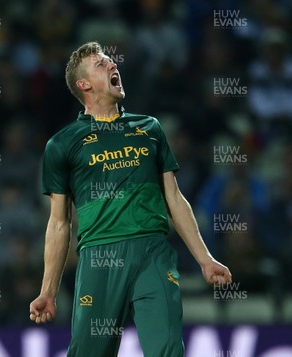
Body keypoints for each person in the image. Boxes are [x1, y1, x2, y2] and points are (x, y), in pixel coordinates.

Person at [29, 41, 232, 356]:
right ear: (83, 85)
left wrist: (205, 260)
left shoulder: (150, 128)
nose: (113, 66)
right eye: (101, 64)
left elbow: (174, 198)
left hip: (154, 253)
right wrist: (48, 291)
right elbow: (59, 222)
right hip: (100, 256)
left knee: (167, 350)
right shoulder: (63, 144)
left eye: (111, 62)